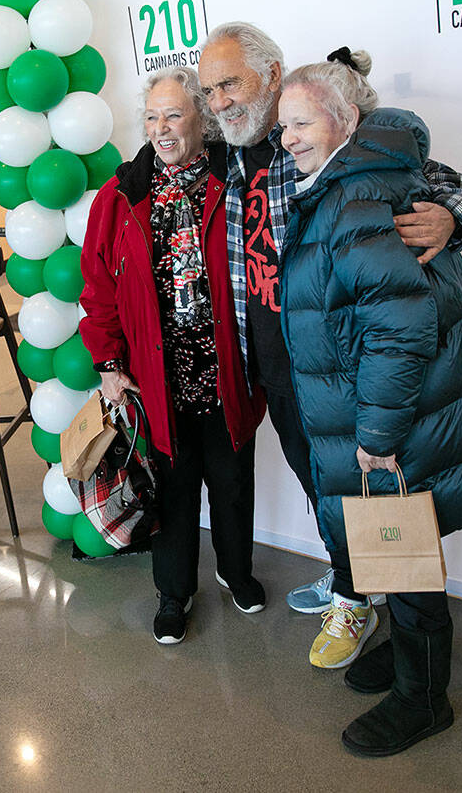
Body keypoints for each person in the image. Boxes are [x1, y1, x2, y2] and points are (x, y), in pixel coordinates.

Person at [274, 52, 462, 756]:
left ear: (345, 121)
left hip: (391, 420)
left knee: (400, 550)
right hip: (392, 410)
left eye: (302, 122)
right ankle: (411, 658)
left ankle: (423, 699)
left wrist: (374, 430)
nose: (288, 140)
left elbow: (400, 329)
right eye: (283, 127)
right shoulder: (350, 180)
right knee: (400, 548)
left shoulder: (355, 196)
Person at [196, 23, 462, 658]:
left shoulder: (317, 130)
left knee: (367, 492)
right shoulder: (225, 151)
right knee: (320, 487)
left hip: (333, 363)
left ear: (273, 76)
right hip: (274, 363)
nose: (219, 100)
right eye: (210, 90)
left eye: (230, 83)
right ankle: (352, 582)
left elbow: (431, 178)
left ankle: (362, 605)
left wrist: (449, 217)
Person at [80, 67, 264, 645]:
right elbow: (98, 291)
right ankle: (173, 594)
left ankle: (236, 573)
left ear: (200, 121)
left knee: (232, 481)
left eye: (174, 115)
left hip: (224, 369)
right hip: (155, 378)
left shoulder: (233, 178)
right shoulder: (119, 195)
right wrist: (109, 366)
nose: (161, 128)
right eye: (152, 116)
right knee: (173, 490)